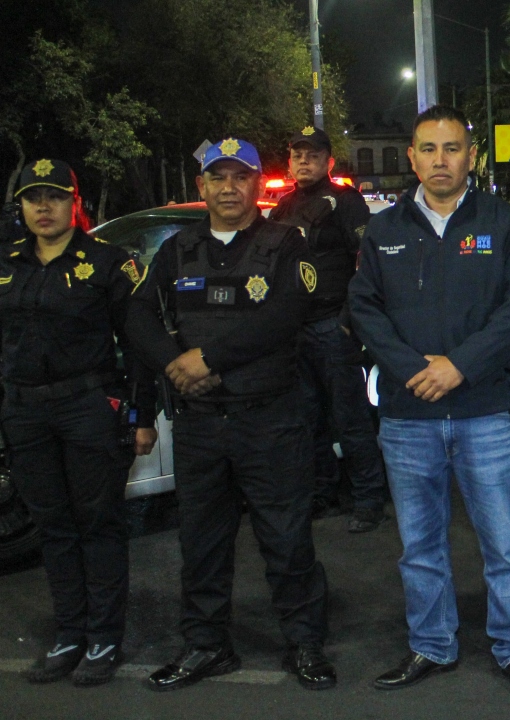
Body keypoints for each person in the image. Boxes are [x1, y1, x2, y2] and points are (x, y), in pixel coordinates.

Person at [347, 105, 510, 699]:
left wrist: (459, 366)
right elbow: (364, 311)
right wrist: (415, 370)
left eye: (453, 148)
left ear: (472, 156)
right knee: (420, 546)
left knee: (504, 545)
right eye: (429, 149)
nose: (441, 160)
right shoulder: (383, 232)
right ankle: (431, 645)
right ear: (411, 157)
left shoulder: (505, 224)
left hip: (485, 411)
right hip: (409, 418)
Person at [126, 138, 334, 692]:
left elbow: (290, 312)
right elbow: (139, 314)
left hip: (270, 420)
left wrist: (209, 358)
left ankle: (305, 642)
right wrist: (175, 363)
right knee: (201, 543)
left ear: (254, 184)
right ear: (201, 186)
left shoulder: (285, 241)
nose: (227, 187)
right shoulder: (176, 251)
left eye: (239, 177)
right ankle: (206, 645)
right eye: (216, 177)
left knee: (287, 539)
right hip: (199, 423)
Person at [0, 159, 158, 687]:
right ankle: (70, 633)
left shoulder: (111, 263)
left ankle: (104, 638)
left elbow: (138, 346)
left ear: (75, 202)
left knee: (98, 522)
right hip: (24, 411)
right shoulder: (7, 262)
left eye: (54, 196)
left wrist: (140, 415)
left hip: (88, 408)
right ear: (19, 206)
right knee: (53, 526)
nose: (43, 207)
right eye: (32, 198)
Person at [270, 125, 388, 533]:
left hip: (332, 326)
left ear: (328, 161)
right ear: (289, 161)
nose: (304, 161)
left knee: (350, 418)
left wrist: (346, 322)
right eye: (298, 155)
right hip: (295, 330)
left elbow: (368, 265)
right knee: (308, 420)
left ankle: (369, 498)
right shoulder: (282, 208)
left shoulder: (345, 202)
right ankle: (323, 493)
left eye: (313, 155)